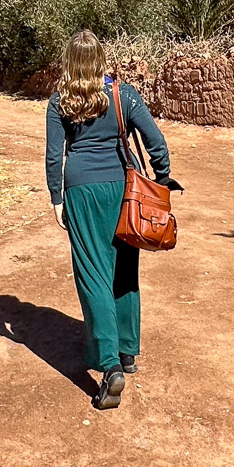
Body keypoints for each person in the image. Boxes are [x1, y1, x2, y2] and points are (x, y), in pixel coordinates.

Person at [45, 29, 173, 410]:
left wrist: (56, 198)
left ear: (70, 62)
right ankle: (127, 350)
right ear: (101, 59)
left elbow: (55, 156)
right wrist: (162, 180)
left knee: (93, 274)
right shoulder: (124, 94)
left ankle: (109, 364)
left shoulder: (59, 102)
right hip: (125, 190)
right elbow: (156, 143)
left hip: (82, 191)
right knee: (123, 270)